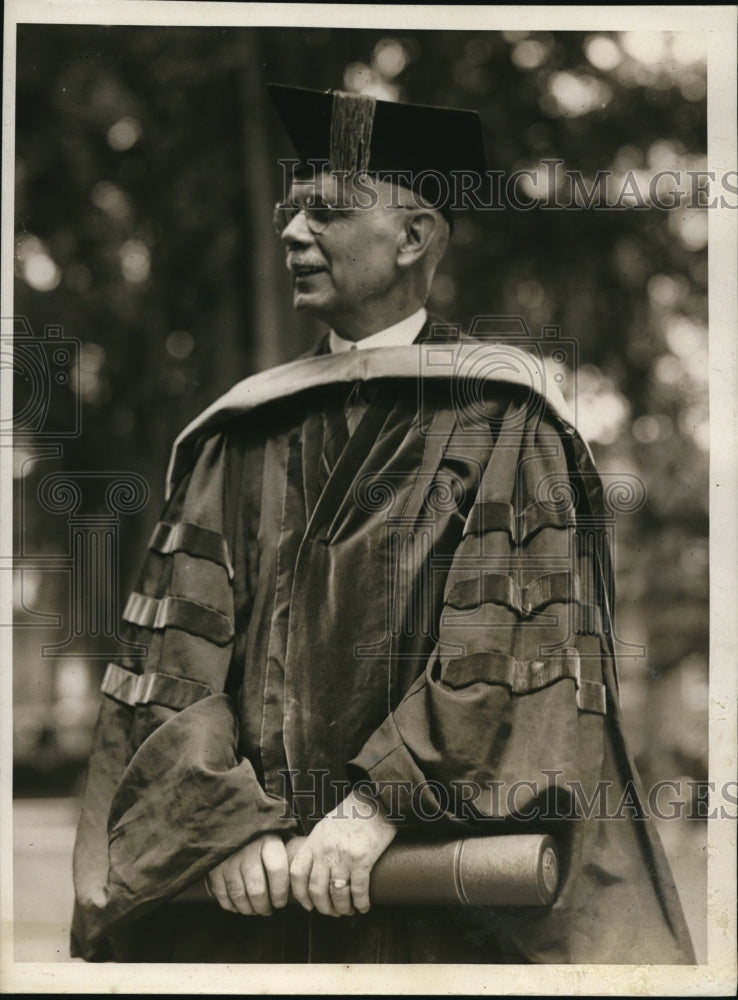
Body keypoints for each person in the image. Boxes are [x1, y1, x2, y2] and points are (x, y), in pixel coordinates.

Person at [71, 84, 695, 965]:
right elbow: (173, 664)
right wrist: (221, 825)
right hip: (253, 900)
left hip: (436, 890)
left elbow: (519, 657)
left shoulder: (501, 419)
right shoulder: (241, 432)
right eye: (291, 212)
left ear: (412, 238)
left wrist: (374, 809)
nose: (292, 234)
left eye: (325, 212)